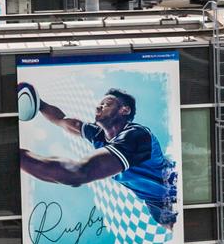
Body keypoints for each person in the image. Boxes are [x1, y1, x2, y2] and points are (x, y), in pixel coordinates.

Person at [20, 87, 179, 229]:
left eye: (107, 104)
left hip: (176, 190)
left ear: (125, 110)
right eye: (99, 104)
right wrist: (39, 104)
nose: (98, 106)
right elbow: (61, 120)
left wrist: (17, 156)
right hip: (154, 203)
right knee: (177, 233)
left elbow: (78, 173)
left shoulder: (137, 136)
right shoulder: (97, 134)